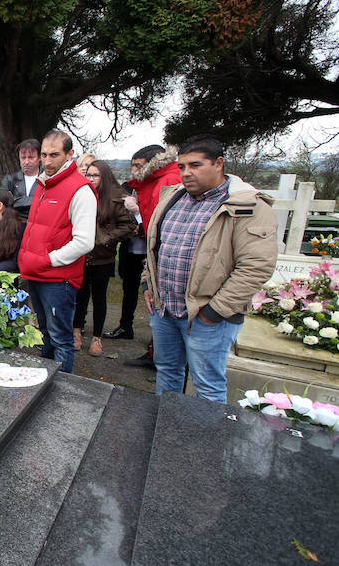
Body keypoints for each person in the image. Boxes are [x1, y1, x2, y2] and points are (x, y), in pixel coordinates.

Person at [142, 136, 277, 404]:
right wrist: (148, 284)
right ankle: (166, 431)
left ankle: (207, 443)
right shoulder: (173, 198)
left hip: (208, 317)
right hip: (165, 309)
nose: (186, 173)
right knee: (167, 372)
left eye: (195, 165)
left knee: (207, 385)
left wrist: (215, 311)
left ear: (218, 164)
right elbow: (154, 249)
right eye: (181, 167)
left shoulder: (247, 206)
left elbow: (255, 267)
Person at [18, 130, 97, 374]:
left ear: (70, 154)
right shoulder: (44, 183)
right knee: (46, 335)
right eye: (44, 155)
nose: (48, 161)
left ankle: (62, 392)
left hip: (58, 278)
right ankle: (44, 383)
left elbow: (84, 242)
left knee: (61, 339)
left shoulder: (80, 189)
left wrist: (47, 260)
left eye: (55, 155)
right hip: (37, 273)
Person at [113, 144, 182, 368]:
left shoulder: (166, 182)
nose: (133, 171)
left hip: (162, 257)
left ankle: (159, 355)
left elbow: (158, 223)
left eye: (137, 166)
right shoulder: (154, 182)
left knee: (161, 308)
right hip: (150, 253)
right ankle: (157, 353)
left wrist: (139, 221)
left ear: (152, 163)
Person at [73, 160, 136, 356]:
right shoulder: (83, 193)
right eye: (89, 174)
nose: (91, 179)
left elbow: (129, 225)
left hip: (103, 256)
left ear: (105, 176)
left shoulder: (117, 197)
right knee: (80, 296)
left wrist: (106, 238)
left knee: (99, 297)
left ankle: (97, 338)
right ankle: (76, 333)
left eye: (95, 175)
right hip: (82, 255)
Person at [0, 139, 42, 221]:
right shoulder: (10, 180)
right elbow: (1, 202)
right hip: (15, 226)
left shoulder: (48, 179)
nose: (26, 162)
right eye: (23, 158)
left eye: (31, 157)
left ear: (39, 157)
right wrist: (37, 201)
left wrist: (15, 201)